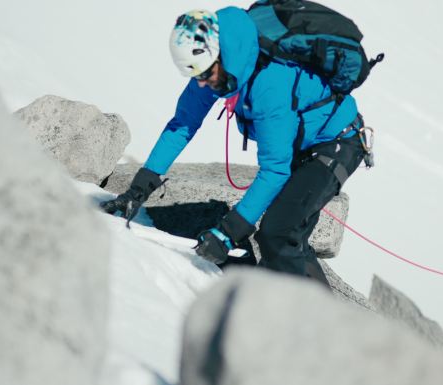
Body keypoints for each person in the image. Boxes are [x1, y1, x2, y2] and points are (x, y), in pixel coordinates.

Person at [100, 7, 367, 286]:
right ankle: (321, 311)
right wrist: (138, 189)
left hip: (337, 143)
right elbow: (182, 125)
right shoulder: (214, 68)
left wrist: (227, 233)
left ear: (221, 55)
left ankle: (313, 323)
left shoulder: (269, 84)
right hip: (302, 143)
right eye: (194, 74)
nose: (202, 82)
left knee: (277, 231)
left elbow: (275, 171)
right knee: (289, 237)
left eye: (205, 74)